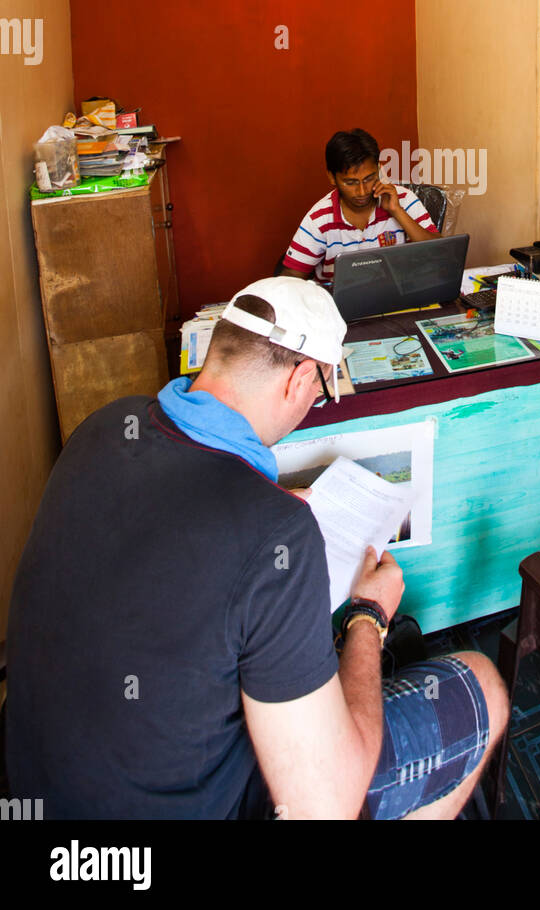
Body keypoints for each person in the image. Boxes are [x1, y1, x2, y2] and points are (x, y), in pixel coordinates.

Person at [5, 278, 508, 819]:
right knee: (483, 683)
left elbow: (167, 528)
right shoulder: (277, 531)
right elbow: (324, 807)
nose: (315, 402)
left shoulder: (106, 424)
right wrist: (368, 616)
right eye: (322, 389)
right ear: (299, 379)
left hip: (33, 781)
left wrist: (257, 508)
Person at [280, 128, 440, 284]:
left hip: (396, 294)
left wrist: (397, 211)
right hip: (337, 300)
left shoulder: (403, 199)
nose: (362, 191)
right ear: (332, 177)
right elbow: (290, 277)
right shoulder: (319, 218)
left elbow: (439, 254)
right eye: (351, 182)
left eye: (369, 178)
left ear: (379, 169)